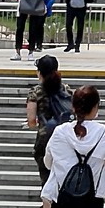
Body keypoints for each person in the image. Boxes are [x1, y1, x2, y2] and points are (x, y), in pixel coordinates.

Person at [25, 57, 73, 186]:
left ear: (39, 72)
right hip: (66, 138)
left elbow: (31, 120)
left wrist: (34, 124)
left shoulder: (36, 92)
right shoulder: (66, 89)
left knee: (47, 180)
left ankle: (48, 204)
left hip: (45, 139)